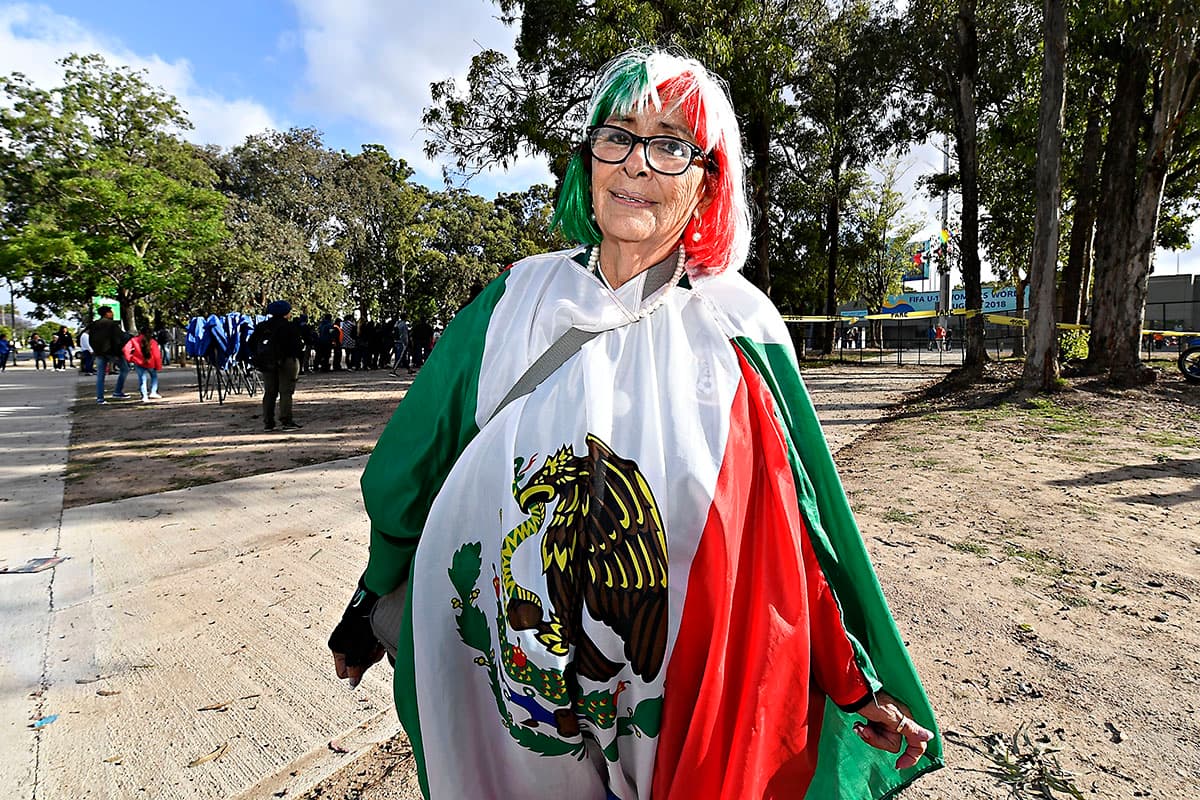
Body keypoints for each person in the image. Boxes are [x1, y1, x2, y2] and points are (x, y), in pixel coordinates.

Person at [327, 47, 939, 799]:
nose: (637, 165)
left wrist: (852, 682)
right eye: (616, 136)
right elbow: (406, 474)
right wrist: (371, 597)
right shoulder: (511, 303)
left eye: (670, 145)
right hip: (515, 715)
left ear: (708, 179)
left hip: (678, 717)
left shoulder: (737, 328)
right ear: (588, 159)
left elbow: (789, 539)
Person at [248, 300, 304, 432]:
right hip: (287, 362)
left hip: (267, 363)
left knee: (270, 392)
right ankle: (286, 421)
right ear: (286, 313)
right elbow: (297, 346)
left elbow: (251, 344)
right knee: (286, 392)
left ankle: (268, 422)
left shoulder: (262, 326)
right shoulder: (290, 327)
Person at [88, 306, 131, 404]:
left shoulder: (94, 324)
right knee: (125, 369)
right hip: (111, 352)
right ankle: (118, 391)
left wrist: (95, 350)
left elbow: (90, 339)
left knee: (100, 375)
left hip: (99, 352)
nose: (112, 313)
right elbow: (119, 338)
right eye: (111, 312)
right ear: (107, 313)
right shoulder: (112, 324)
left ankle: (100, 398)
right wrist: (118, 351)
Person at [123, 326, 163, 401]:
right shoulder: (153, 342)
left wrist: (130, 358)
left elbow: (125, 349)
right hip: (150, 363)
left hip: (138, 362)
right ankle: (153, 392)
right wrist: (158, 365)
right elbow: (157, 355)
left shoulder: (134, 340)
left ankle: (144, 396)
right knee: (154, 376)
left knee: (142, 379)